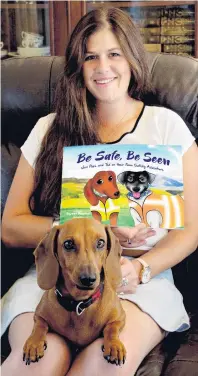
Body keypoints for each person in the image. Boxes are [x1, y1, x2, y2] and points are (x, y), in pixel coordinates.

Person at [1, 6, 198, 376]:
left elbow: (192, 228)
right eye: (91, 57)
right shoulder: (50, 128)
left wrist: (140, 267)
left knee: (102, 369)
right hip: (54, 277)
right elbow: (11, 227)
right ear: (79, 64)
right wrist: (85, 229)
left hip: (141, 281)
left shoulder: (166, 126)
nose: (103, 68)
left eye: (114, 54)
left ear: (132, 59)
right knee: (40, 363)